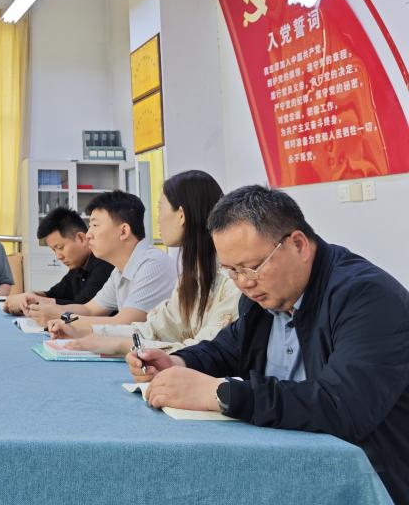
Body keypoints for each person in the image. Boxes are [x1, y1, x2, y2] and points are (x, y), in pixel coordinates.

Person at [127, 186, 409, 504]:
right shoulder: (263, 299)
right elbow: (226, 350)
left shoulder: (366, 298)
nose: (244, 283)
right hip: (288, 466)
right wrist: (176, 363)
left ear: (298, 244)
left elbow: (342, 406)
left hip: (367, 482)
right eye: (232, 271)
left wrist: (222, 394)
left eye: (252, 267)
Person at [61, 170, 239, 355]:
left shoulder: (231, 277)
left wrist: (119, 343)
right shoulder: (193, 274)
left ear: (181, 215)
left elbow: (205, 352)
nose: (157, 219)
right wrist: (90, 332)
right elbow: (155, 328)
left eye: (160, 208)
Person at [44, 190, 176, 335]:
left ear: (124, 231)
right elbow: (90, 310)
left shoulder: (152, 264)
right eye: (89, 226)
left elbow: (123, 323)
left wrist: (63, 318)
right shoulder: (119, 271)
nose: (88, 235)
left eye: (95, 225)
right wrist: (52, 310)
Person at [3, 206, 113, 315]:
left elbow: (82, 308)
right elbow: (52, 294)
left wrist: (35, 301)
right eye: (54, 250)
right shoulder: (78, 267)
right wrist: (26, 297)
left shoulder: (105, 264)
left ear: (81, 238)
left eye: (60, 247)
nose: (58, 256)